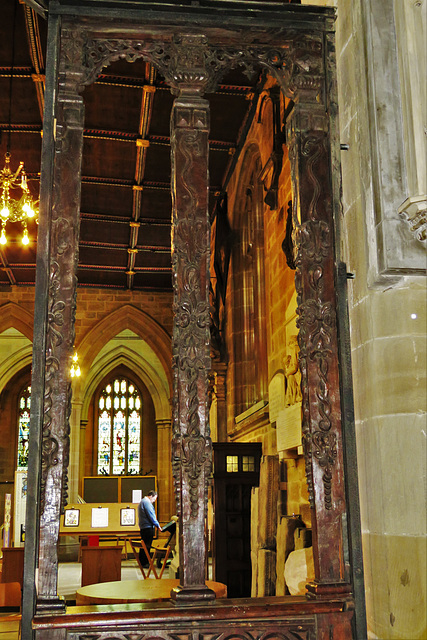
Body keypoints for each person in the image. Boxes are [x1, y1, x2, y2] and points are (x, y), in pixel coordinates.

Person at [137, 490, 162, 567]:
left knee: (144, 545)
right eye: (154, 499)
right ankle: (145, 563)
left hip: (144, 527)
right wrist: (157, 525)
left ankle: (142, 561)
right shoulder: (147, 502)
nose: (154, 501)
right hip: (147, 527)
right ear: (151, 496)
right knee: (147, 546)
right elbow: (151, 515)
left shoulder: (142, 501)